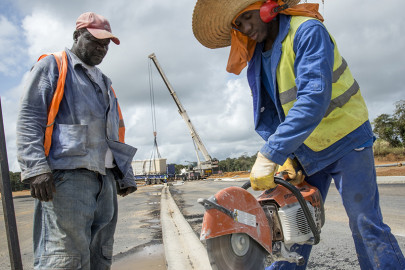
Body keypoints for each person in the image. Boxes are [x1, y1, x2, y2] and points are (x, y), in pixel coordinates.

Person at [192, 0, 405, 269]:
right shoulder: (257, 55)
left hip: (347, 140)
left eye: (247, 16)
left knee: (365, 225)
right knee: (290, 225)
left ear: (268, 6)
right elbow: (268, 113)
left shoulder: (307, 31)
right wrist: (286, 156)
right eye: (238, 24)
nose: (246, 28)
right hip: (305, 150)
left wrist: (271, 153)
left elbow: (313, 98)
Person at [16, 12, 137, 270]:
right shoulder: (53, 67)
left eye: (106, 45)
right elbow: (29, 116)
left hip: (104, 181)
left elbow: (115, 132)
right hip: (67, 180)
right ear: (76, 35)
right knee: (64, 258)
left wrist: (125, 173)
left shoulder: (105, 82)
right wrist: (36, 169)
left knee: (99, 255)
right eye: (95, 41)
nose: (102, 49)